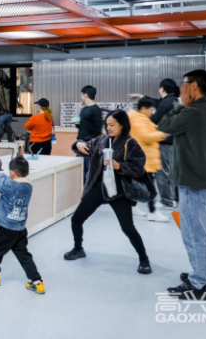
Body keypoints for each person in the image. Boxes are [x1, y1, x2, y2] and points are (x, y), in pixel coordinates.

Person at [159, 70, 206, 300]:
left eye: (184, 84)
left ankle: (198, 286)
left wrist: (180, 105)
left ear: (193, 86)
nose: (181, 89)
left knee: (195, 236)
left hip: (193, 184)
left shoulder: (192, 112)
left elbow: (165, 125)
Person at [65, 110, 152, 275]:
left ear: (122, 125)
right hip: (98, 188)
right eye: (107, 125)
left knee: (127, 227)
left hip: (119, 192)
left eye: (112, 125)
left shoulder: (130, 143)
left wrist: (119, 166)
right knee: (77, 219)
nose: (109, 128)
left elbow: (138, 167)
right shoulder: (102, 140)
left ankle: (144, 259)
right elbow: (84, 148)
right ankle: (78, 248)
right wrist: (77, 144)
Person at [0, 156, 45, 295]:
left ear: (12, 173)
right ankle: (37, 282)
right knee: (24, 254)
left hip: (6, 228)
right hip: (20, 228)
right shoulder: (28, 187)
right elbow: (7, 180)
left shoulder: (8, 186)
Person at [130, 78, 180, 209]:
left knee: (163, 173)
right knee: (171, 171)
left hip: (166, 142)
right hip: (175, 142)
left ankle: (167, 201)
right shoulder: (174, 100)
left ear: (162, 88)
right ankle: (173, 198)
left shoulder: (166, 103)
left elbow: (153, 118)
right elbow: (158, 102)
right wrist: (142, 96)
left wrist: (140, 117)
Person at [128, 97, 169, 222]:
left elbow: (151, 129)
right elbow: (145, 136)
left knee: (138, 186)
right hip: (144, 160)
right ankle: (153, 212)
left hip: (145, 160)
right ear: (143, 108)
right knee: (150, 188)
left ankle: (132, 207)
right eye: (151, 110)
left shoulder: (142, 118)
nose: (152, 112)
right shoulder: (137, 120)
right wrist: (163, 134)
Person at [76, 85, 103, 182]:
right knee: (81, 171)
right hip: (80, 144)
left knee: (89, 172)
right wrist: (77, 123)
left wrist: (91, 146)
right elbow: (81, 126)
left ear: (86, 95)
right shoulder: (83, 110)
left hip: (89, 146)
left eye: (82, 95)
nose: (81, 97)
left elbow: (98, 130)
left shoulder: (96, 110)